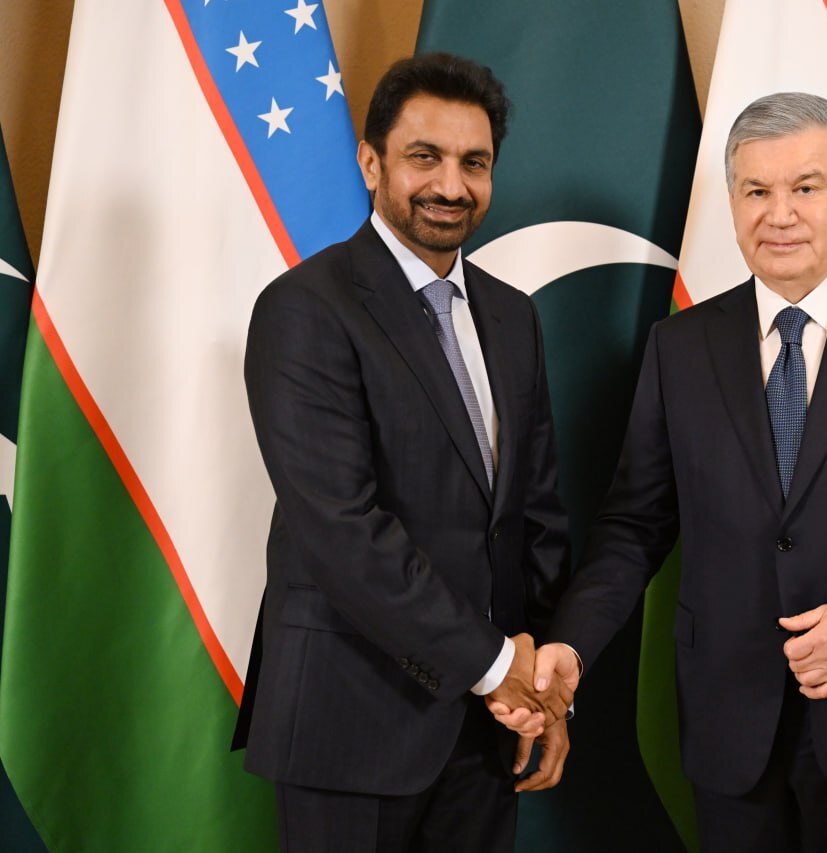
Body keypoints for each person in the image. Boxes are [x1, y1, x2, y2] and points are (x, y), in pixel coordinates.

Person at [501, 92, 827, 852]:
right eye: (755, 191)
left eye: (805, 187)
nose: (779, 214)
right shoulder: (679, 347)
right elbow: (634, 527)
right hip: (730, 730)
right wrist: (571, 645)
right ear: (734, 204)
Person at [232, 53, 573, 852]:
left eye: (474, 163)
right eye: (425, 156)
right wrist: (496, 666)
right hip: (349, 728)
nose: (451, 185)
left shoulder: (512, 317)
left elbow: (535, 516)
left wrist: (544, 692)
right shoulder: (304, 309)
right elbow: (343, 531)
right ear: (371, 161)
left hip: (489, 733)